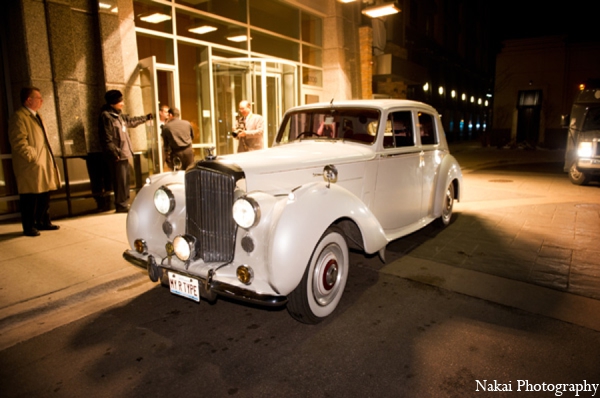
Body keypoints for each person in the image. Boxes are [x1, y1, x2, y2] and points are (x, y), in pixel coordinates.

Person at [8, 87, 61, 237]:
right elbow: (18, 141)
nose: (41, 100)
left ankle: (43, 222)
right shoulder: (19, 117)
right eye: (38, 98)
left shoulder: (37, 116)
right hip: (31, 164)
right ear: (28, 100)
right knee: (30, 196)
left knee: (44, 194)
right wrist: (32, 156)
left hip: (42, 161)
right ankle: (29, 226)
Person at [98, 89, 152, 213]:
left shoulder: (118, 115)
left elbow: (131, 122)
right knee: (120, 182)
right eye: (120, 101)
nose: (122, 103)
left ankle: (124, 203)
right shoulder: (106, 116)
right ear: (113, 102)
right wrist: (114, 153)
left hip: (124, 153)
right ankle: (121, 205)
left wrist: (146, 118)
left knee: (125, 180)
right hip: (117, 155)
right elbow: (106, 138)